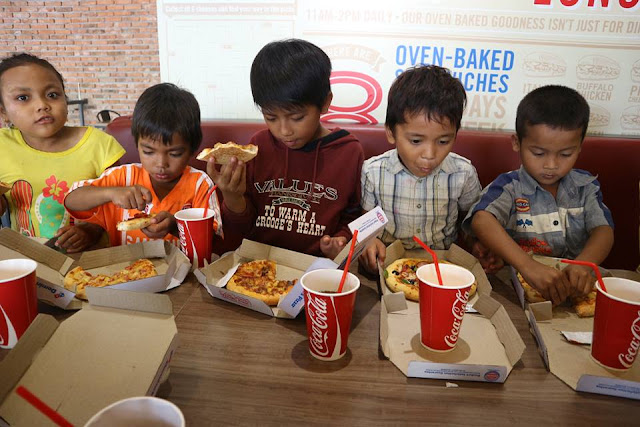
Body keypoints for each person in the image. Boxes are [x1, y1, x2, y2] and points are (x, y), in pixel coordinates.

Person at [208, 39, 363, 258]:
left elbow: (353, 215)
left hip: (315, 271)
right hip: (257, 271)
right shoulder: (258, 147)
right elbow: (236, 236)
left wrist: (342, 238)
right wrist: (232, 197)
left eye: (297, 117)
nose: (284, 130)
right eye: (270, 117)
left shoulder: (348, 152)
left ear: (326, 102)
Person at [463, 85, 614, 305]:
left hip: (577, 292)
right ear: (517, 143)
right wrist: (527, 265)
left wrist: (584, 264)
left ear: (580, 147)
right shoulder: (509, 186)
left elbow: (604, 231)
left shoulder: (586, 187)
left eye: (565, 154)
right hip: (520, 289)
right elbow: (481, 220)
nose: (551, 165)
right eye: (539, 153)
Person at [358, 64, 487, 273]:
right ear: (391, 132)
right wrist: (370, 243)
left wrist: (476, 244)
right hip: (389, 265)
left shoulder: (463, 173)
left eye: (443, 141)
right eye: (416, 141)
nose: (430, 154)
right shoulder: (373, 172)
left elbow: (470, 223)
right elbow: (367, 225)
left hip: (442, 266)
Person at [64, 83, 222, 247]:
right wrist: (111, 193)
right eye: (148, 152)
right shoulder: (123, 177)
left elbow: (214, 243)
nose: (161, 164)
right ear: (137, 144)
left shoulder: (200, 185)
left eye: (175, 154)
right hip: (125, 271)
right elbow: (71, 200)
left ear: (192, 150)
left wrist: (176, 227)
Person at [0, 52, 125, 252]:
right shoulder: (2, 147)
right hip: (31, 264)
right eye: (23, 97)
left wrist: (91, 230)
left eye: (52, 95)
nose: (42, 105)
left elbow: (122, 206)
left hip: (96, 264)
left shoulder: (99, 145)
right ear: (3, 111)